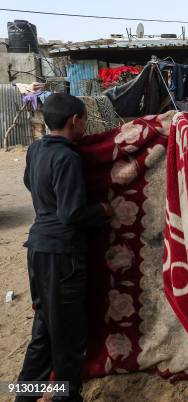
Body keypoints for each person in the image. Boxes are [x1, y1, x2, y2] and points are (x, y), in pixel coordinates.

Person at [17, 93, 113, 402]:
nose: (85, 125)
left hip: (38, 252)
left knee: (44, 330)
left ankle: (24, 395)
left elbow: (30, 183)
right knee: (69, 338)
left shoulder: (35, 150)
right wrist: (102, 211)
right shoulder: (68, 157)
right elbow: (71, 215)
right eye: (84, 120)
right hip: (63, 256)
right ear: (76, 121)